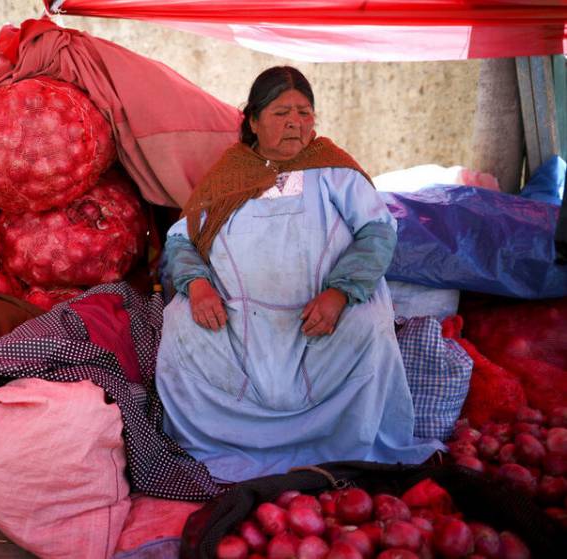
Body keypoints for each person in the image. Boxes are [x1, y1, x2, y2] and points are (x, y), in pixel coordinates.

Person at [156, 66, 443, 482]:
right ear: (252, 121)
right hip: (238, 327)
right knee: (180, 320)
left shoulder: (334, 169)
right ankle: (219, 447)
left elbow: (378, 232)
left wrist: (340, 294)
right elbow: (182, 241)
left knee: (369, 323)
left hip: (321, 321)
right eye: (281, 112)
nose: (295, 122)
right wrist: (198, 287)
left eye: (305, 113)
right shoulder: (228, 176)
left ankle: (345, 450)